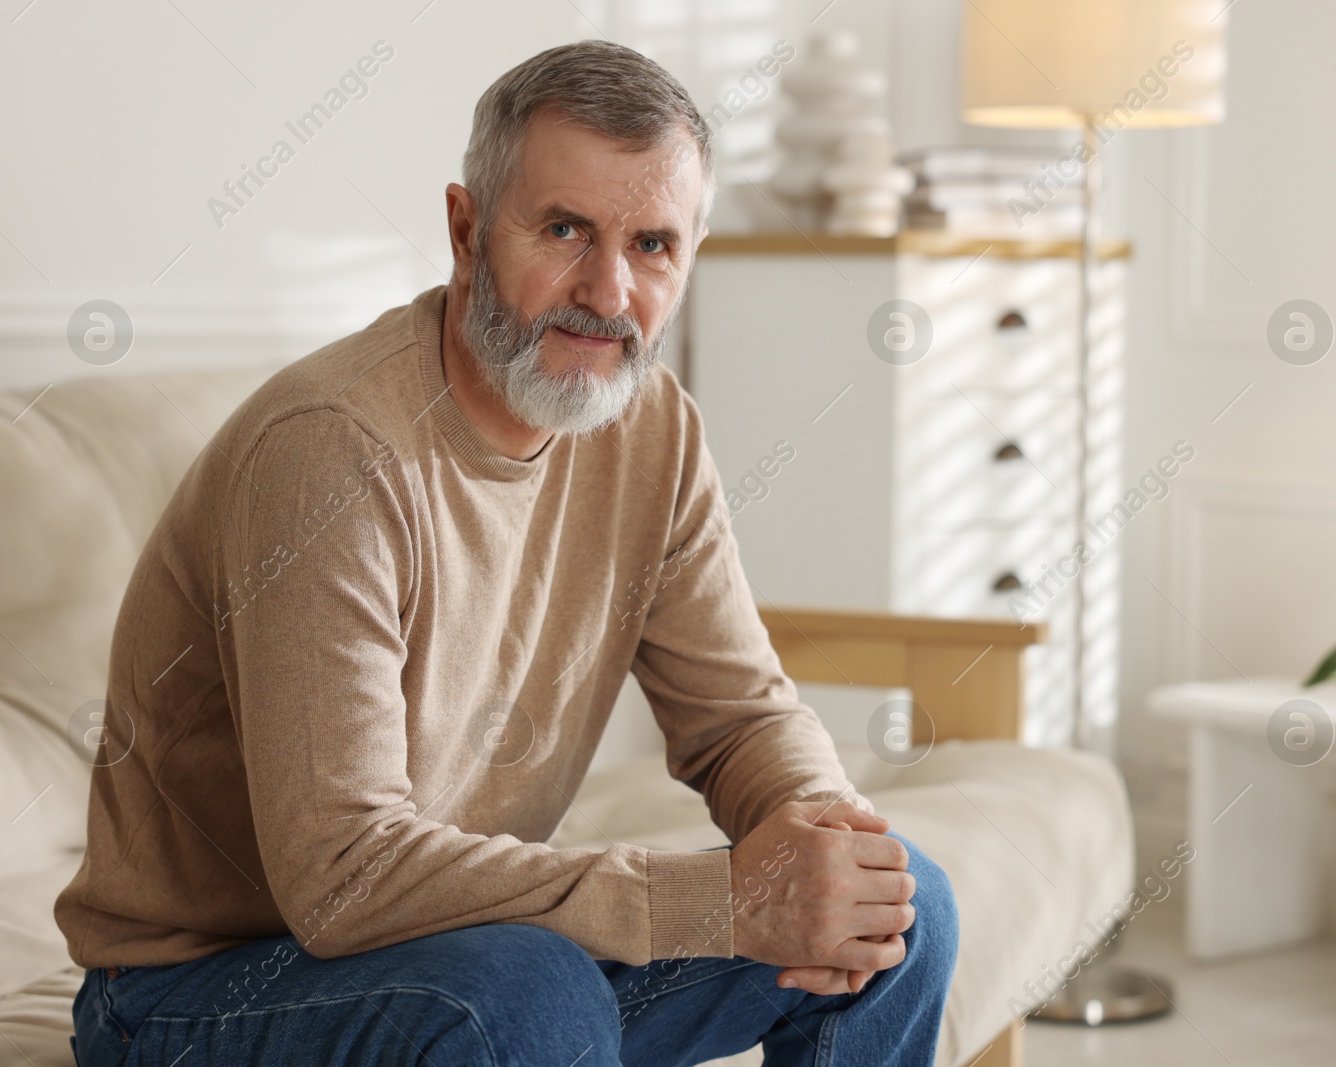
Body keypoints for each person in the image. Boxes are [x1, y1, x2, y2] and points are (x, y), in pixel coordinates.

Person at [57, 39, 957, 1066]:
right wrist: (722, 897)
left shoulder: (651, 428)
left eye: (653, 245)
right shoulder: (329, 452)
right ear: (465, 228)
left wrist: (826, 841)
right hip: (199, 991)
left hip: (462, 948)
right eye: (565, 229)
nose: (609, 292)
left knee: (900, 907)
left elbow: (739, 714)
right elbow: (343, 873)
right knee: (526, 989)